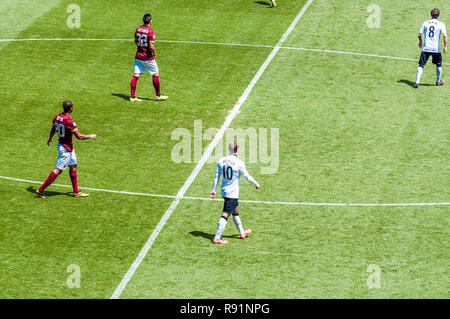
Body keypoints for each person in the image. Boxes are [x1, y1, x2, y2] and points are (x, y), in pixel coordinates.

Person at [37, 101, 97, 198]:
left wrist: (50, 137)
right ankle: (40, 190)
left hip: (65, 145)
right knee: (58, 170)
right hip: (65, 149)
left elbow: (53, 127)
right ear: (71, 108)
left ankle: (76, 191)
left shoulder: (57, 117)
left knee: (73, 166)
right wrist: (91, 136)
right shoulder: (69, 121)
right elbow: (79, 137)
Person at [210, 142, 260, 245]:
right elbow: (247, 176)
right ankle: (217, 238)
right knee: (226, 214)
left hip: (224, 190)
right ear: (237, 150)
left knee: (235, 210)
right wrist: (256, 183)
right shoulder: (239, 163)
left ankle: (242, 232)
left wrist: (213, 190)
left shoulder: (221, 160)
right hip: (232, 193)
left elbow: (216, 176)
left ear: (229, 150)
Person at [130, 13, 168, 101]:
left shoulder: (138, 29)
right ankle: (158, 95)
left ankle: (132, 96)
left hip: (138, 56)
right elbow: (151, 45)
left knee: (136, 75)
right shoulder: (151, 32)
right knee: (155, 74)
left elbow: (135, 40)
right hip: (147, 57)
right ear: (150, 21)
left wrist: (140, 48)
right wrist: (154, 53)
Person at [414, 8, 447, 88]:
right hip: (436, 49)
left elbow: (419, 34)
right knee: (439, 65)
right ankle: (438, 81)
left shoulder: (425, 23)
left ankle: (417, 82)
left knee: (421, 65)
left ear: (431, 14)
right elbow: (445, 36)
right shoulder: (441, 24)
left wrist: (420, 42)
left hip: (426, 48)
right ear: (438, 15)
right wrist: (445, 46)